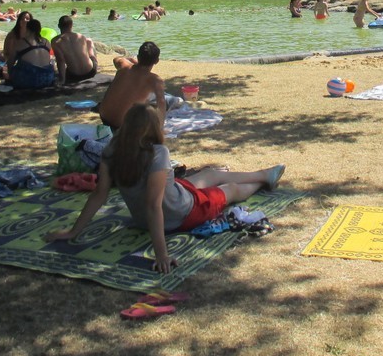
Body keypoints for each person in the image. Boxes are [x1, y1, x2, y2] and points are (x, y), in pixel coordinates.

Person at [45, 103, 285, 273]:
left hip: (163, 205)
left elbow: (100, 195)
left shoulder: (112, 149)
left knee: (210, 174)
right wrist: (162, 254)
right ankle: (262, 180)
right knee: (230, 188)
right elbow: (153, 205)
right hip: (182, 214)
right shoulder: (158, 153)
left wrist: (73, 232)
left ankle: (265, 173)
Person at [101, 41, 167, 131]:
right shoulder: (155, 80)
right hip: (123, 125)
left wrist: (131, 60)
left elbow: (116, 59)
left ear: (138, 57)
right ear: (156, 61)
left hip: (104, 116)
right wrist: (160, 127)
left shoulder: (124, 65)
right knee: (156, 103)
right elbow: (162, 103)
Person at [9, 18, 56, 89]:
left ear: (27, 29)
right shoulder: (46, 42)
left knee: (16, 67)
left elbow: (10, 62)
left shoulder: (21, 42)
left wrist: (10, 76)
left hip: (30, 80)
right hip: (48, 78)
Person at [52, 14, 99, 84]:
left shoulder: (55, 41)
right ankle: (94, 60)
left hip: (74, 76)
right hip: (90, 72)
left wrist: (62, 80)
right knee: (89, 42)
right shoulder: (80, 36)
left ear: (59, 26)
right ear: (72, 25)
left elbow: (60, 61)